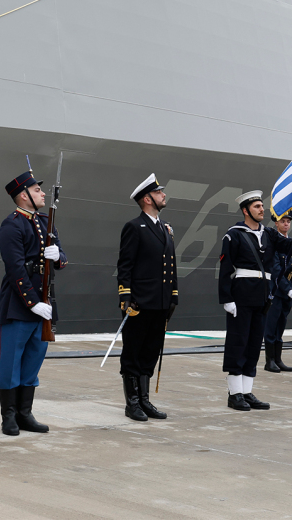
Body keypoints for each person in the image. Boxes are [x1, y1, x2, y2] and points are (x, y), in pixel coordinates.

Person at [219, 191, 292, 411]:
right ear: (245, 210)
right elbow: (225, 269)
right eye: (257, 206)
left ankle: (247, 391)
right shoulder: (235, 235)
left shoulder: (269, 233)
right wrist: (227, 299)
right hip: (241, 295)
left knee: (252, 345)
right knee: (238, 344)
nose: (261, 209)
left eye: (261, 206)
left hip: (262, 296)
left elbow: (289, 247)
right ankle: (234, 393)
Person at [0, 169, 67, 436]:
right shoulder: (12, 224)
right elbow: (15, 269)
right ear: (23, 196)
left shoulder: (46, 221)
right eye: (37, 190)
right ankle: (9, 416)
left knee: (33, 361)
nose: (42, 193)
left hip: (45, 302)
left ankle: (25, 413)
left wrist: (57, 254)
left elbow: (62, 260)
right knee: (11, 362)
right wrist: (31, 302)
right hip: (20, 303)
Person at [117, 174, 178, 421]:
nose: (164, 195)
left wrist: (173, 296)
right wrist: (126, 296)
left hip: (161, 302)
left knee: (151, 351)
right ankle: (132, 403)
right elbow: (125, 265)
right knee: (133, 352)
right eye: (159, 192)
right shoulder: (134, 227)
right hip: (139, 303)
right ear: (147, 198)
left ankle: (144, 400)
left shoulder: (165, 228)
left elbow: (171, 266)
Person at [263, 211, 292, 374]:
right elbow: (275, 269)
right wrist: (288, 289)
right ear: (276, 224)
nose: (286, 224)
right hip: (276, 291)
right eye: (283, 221)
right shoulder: (274, 242)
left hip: (287, 292)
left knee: (281, 326)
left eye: (288, 221)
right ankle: (269, 361)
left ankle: (278, 359)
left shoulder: (291, 243)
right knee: (271, 326)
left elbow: (290, 270)